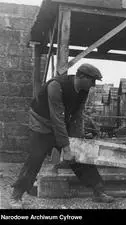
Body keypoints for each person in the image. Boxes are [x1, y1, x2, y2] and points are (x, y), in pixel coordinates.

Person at [9, 63, 115, 208]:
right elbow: (57, 117)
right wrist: (66, 148)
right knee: (36, 157)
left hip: (58, 122)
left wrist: (77, 142)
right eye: (92, 81)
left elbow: (77, 116)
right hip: (41, 123)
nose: (94, 85)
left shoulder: (83, 91)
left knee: (80, 154)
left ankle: (98, 191)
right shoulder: (56, 86)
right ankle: (16, 195)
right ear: (81, 76)